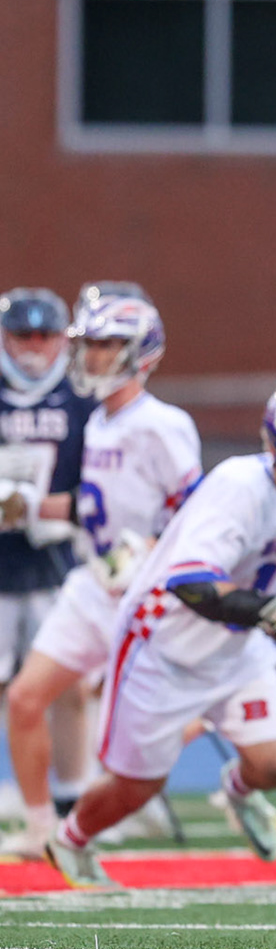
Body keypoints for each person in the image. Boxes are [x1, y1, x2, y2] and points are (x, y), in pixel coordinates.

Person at [42, 383, 276, 890]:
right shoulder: (240, 487)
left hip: (235, 646)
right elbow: (192, 585)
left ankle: (235, 793)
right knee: (137, 786)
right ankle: (70, 840)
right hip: (162, 644)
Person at [2, 284, 198, 859]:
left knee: (137, 727)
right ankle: (42, 828)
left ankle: (226, 759)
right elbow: (91, 508)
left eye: (108, 344)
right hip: (95, 581)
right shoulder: (98, 422)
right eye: (89, 343)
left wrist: (152, 550)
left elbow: (196, 515)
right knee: (23, 699)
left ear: (142, 351)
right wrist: (26, 503)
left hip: (146, 587)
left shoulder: (162, 424)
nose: (92, 356)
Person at [0, 288, 97, 851]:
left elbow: (105, 479)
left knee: (68, 687)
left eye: (44, 335)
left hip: (60, 558)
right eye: (23, 335)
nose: (34, 347)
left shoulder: (80, 397)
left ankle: (72, 799)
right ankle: (27, 802)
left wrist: (53, 512)